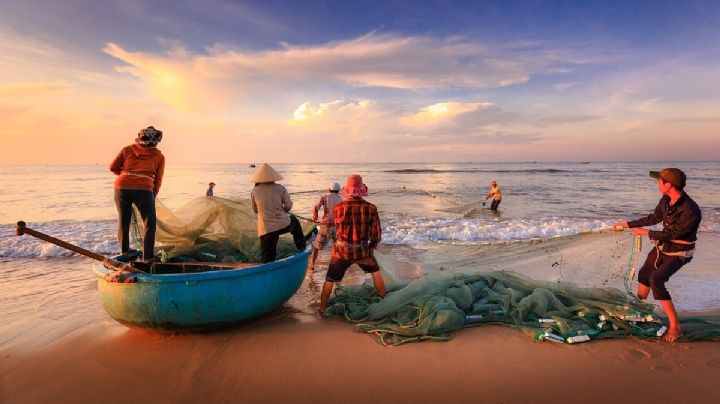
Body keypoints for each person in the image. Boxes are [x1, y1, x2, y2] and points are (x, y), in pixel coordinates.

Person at [614, 168, 702, 342]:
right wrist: (627, 224)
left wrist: (645, 233)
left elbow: (674, 235)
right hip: (663, 247)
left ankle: (676, 326)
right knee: (644, 275)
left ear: (668, 185)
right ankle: (639, 312)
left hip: (680, 251)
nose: (657, 184)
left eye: (659, 181)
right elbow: (654, 218)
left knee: (657, 280)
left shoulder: (691, 209)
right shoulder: (666, 199)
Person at [319, 174, 386, 315]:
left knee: (329, 280)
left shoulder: (338, 208)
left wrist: (326, 222)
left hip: (341, 252)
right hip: (362, 251)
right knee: (377, 274)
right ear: (361, 190)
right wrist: (371, 248)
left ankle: (322, 309)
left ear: (347, 191)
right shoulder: (371, 208)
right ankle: (385, 302)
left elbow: (334, 227)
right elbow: (376, 235)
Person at [109, 126, 165, 261]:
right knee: (149, 221)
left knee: (124, 220)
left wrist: (126, 175)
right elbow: (158, 179)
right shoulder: (159, 156)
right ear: (156, 141)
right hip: (144, 188)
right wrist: (153, 194)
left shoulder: (127, 149)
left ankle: (125, 251)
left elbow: (112, 168)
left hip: (121, 187)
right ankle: (148, 256)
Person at [249, 163, 306, 263]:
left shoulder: (254, 191)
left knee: (267, 257)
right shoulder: (280, 188)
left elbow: (255, 210)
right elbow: (288, 206)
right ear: (273, 178)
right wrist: (284, 210)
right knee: (294, 221)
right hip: (282, 224)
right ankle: (301, 247)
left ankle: (266, 272)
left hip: (265, 229)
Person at [307, 182, 343, 271]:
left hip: (326, 225)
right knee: (336, 245)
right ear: (338, 191)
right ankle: (337, 264)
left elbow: (316, 207)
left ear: (329, 189)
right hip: (337, 226)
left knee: (316, 246)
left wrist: (315, 217)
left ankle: (312, 265)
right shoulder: (341, 199)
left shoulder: (324, 197)